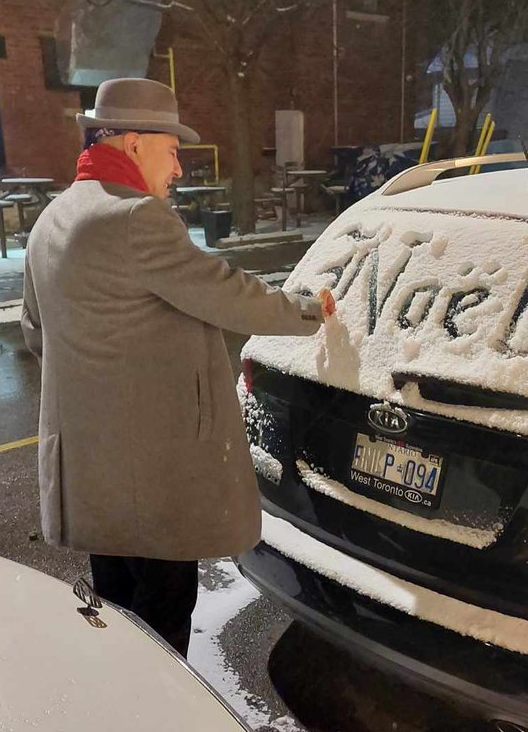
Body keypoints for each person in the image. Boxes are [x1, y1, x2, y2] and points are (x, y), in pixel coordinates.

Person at [21, 77, 332, 657]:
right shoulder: (136, 217)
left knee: (114, 618)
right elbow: (226, 293)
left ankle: (128, 723)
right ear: (135, 144)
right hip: (153, 484)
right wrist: (309, 310)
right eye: (173, 150)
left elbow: (36, 331)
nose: (180, 169)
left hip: (94, 478)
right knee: (163, 627)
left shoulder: (53, 218)